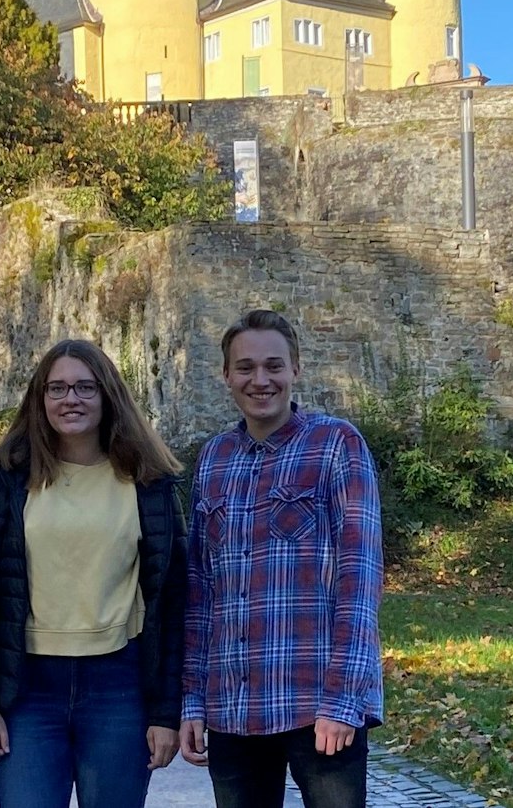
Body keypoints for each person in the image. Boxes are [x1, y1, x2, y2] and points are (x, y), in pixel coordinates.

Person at [0, 339, 188, 808]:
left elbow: (174, 603)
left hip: (119, 684)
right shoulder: (10, 482)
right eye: (57, 388)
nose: (71, 400)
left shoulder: (148, 483)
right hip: (27, 688)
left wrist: (166, 712)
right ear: (40, 400)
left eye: (85, 387)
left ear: (108, 396)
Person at [179, 310, 384, 808]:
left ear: (296, 369)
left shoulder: (336, 445)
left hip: (317, 704)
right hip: (233, 707)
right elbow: (201, 589)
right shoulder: (214, 459)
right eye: (245, 367)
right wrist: (192, 700)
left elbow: (360, 579)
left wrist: (343, 699)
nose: (260, 379)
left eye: (273, 365)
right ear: (226, 375)